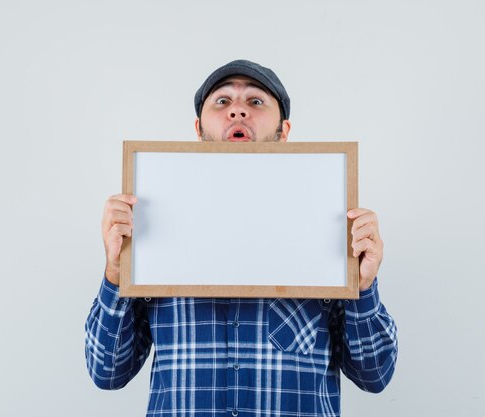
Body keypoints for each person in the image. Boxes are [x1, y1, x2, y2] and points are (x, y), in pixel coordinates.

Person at [85, 59, 398, 417]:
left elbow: (375, 374)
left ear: (284, 130)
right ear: (198, 129)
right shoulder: (151, 229)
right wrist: (115, 269)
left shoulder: (330, 229)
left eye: (255, 101)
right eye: (222, 101)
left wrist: (364, 284)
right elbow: (106, 372)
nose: (237, 111)